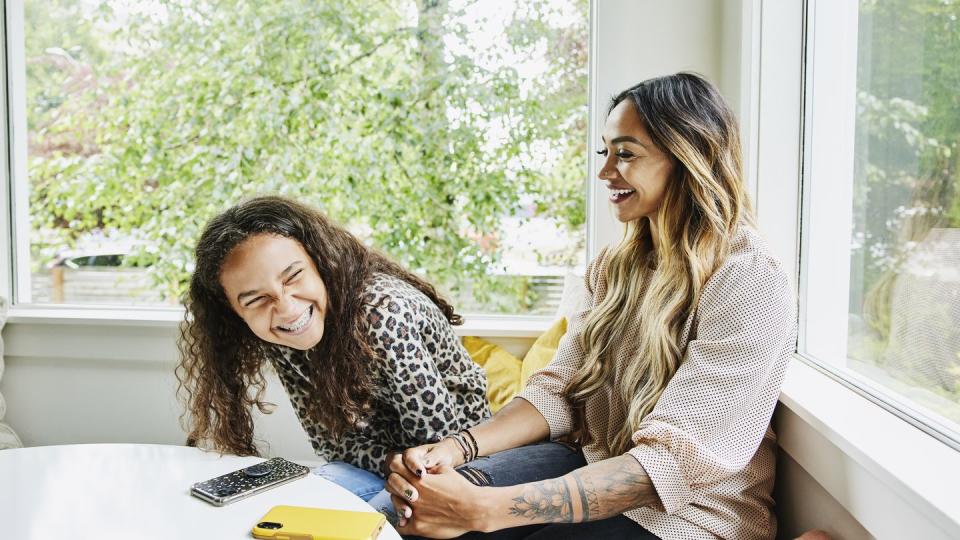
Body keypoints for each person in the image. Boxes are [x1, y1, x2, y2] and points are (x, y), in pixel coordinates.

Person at [384, 72, 797, 540]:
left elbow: (672, 462)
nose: (605, 172)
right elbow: (559, 390)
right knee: (407, 514)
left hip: (693, 516)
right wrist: (455, 450)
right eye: (606, 153)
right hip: (594, 462)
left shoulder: (750, 279)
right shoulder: (612, 267)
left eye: (626, 154)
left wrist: (487, 510)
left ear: (687, 156)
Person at [176, 195, 490, 519]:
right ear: (234, 314)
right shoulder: (281, 335)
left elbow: (440, 446)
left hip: (466, 467)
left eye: (293, 276)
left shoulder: (381, 314)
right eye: (256, 299)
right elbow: (332, 446)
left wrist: (394, 463)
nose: (285, 307)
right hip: (383, 469)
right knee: (287, 505)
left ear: (321, 262)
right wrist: (388, 460)